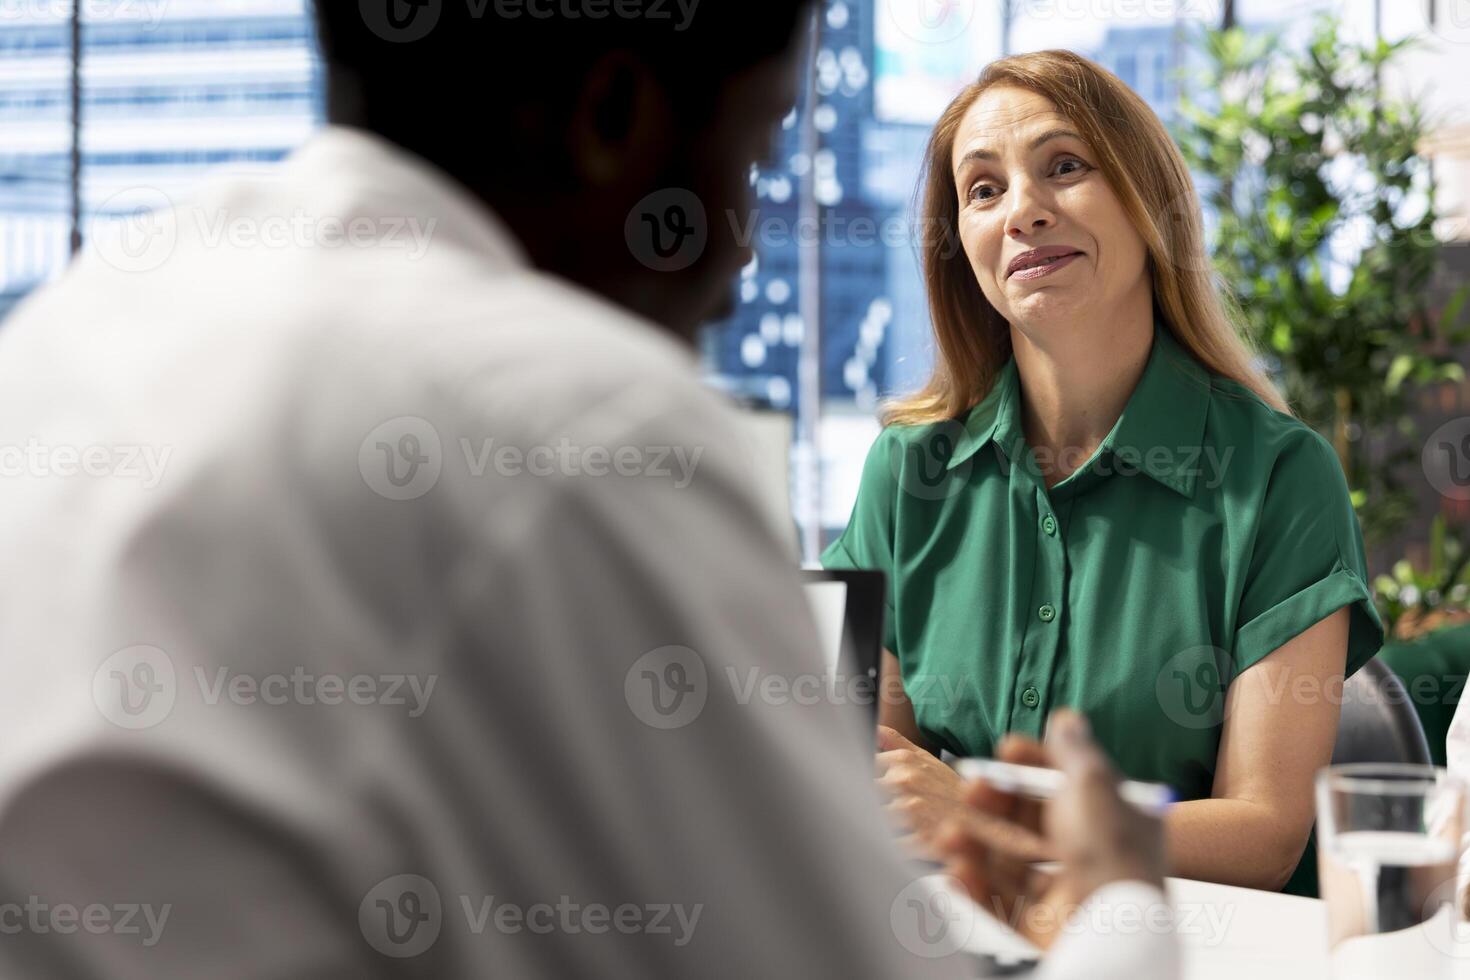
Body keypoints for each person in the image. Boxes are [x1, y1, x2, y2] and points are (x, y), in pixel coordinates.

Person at [0, 5, 1174, 977]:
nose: (747, 250)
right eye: (756, 152)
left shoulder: (66, 338)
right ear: (616, 121)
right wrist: (1122, 893)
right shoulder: (572, 422)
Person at [826, 50, 1384, 895]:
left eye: (1065, 167)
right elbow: (872, 778)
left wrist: (990, 813)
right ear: (962, 251)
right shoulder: (909, 473)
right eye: (983, 189)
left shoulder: (1277, 476)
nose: (1023, 211)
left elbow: (1262, 834)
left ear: (1149, 203)